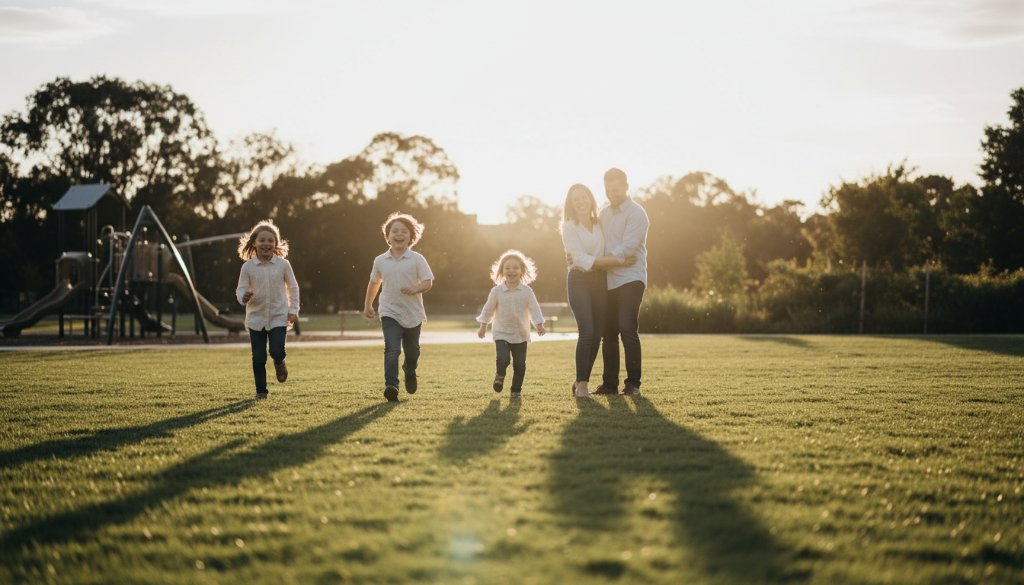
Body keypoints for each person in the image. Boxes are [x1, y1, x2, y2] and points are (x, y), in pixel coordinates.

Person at [560, 183, 636, 398]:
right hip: (579, 280)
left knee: (597, 335)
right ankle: (583, 385)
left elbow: (608, 247)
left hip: (601, 281)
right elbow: (581, 260)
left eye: (584, 197)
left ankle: (578, 379)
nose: (581, 202)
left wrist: (610, 260)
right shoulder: (569, 227)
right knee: (587, 331)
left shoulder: (601, 222)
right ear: (571, 205)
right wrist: (618, 261)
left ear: (590, 199)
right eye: (576, 200)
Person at [364, 212, 434, 402]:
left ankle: (409, 371)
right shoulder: (380, 260)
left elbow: (428, 282)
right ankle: (391, 386)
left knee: (412, 352)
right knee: (392, 349)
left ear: (411, 237)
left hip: (413, 313)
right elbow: (374, 283)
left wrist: (415, 288)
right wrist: (368, 304)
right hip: (389, 311)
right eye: (395, 231)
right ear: (388, 236)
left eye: (404, 231)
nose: (399, 234)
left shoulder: (417, 259)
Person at [594, 168, 649, 396]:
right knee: (608, 333)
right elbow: (598, 244)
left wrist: (598, 262)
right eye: (608, 190)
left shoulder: (637, 214)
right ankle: (609, 385)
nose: (612, 194)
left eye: (616, 189)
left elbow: (626, 249)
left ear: (627, 186)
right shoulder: (603, 213)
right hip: (609, 280)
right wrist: (599, 261)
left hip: (631, 278)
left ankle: (633, 384)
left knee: (627, 327)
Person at [235, 220, 300, 400]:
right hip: (256, 318)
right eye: (262, 240)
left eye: (271, 240)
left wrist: (293, 309)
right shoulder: (247, 267)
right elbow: (240, 289)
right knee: (258, 357)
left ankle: (280, 362)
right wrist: (244, 297)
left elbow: (293, 287)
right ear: (254, 242)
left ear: (276, 244)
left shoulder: (283, 265)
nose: (266, 244)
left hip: (279, 316)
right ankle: (261, 391)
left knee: (277, 350)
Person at [476, 249, 546, 399]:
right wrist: (483, 326)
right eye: (507, 267)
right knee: (503, 359)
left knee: (520, 365)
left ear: (522, 271)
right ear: (502, 271)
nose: (511, 270)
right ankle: (500, 376)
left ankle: (516, 391)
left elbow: (534, 309)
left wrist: (538, 324)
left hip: (520, 334)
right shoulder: (497, 291)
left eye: (515, 268)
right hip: (501, 332)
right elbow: (488, 309)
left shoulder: (527, 291)